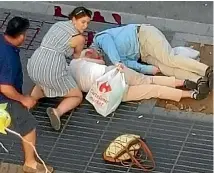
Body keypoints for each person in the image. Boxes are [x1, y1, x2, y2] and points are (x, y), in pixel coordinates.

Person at [90, 24, 213, 95]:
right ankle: (198, 80)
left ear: (91, 52)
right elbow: (127, 63)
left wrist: (117, 62)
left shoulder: (100, 39)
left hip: (143, 35)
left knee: (169, 59)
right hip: (143, 54)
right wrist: (147, 69)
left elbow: (111, 47)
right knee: (166, 69)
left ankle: (207, 71)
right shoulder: (108, 58)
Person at [0, 17, 53, 172]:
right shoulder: (9, 58)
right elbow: (5, 88)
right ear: (22, 36)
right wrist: (24, 99)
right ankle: (30, 163)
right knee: (28, 125)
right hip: (4, 100)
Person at [27, 7, 92, 131]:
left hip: (35, 63)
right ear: (74, 19)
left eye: (88, 23)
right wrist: (87, 52)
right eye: (83, 22)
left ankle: (28, 103)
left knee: (41, 83)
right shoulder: (79, 38)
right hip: (52, 68)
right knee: (77, 96)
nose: (85, 26)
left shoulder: (58, 25)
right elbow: (77, 57)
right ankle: (57, 111)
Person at [69, 49, 209, 103]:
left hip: (111, 92)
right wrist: (82, 56)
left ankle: (191, 94)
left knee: (154, 91)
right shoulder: (76, 62)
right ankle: (184, 82)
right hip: (115, 72)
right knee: (149, 79)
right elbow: (100, 61)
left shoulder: (69, 85)